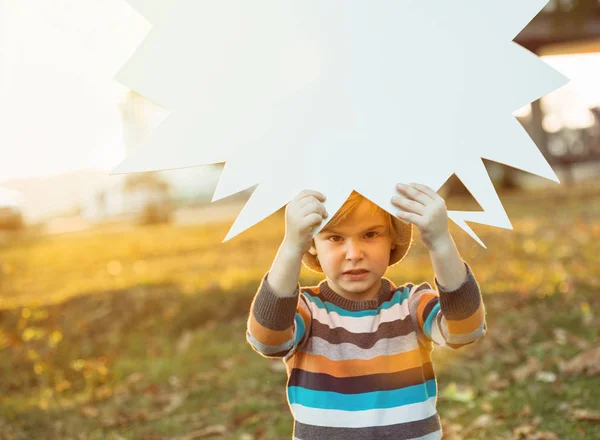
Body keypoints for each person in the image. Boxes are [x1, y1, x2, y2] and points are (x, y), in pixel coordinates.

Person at [246, 183, 487, 440]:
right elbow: (267, 340)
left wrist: (440, 243)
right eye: (335, 237)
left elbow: (465, 331)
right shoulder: (307, 311)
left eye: (371, 234)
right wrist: (291, 247)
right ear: (312, 244)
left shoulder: (411, 304)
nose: (354, 254)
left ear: (392, 238)